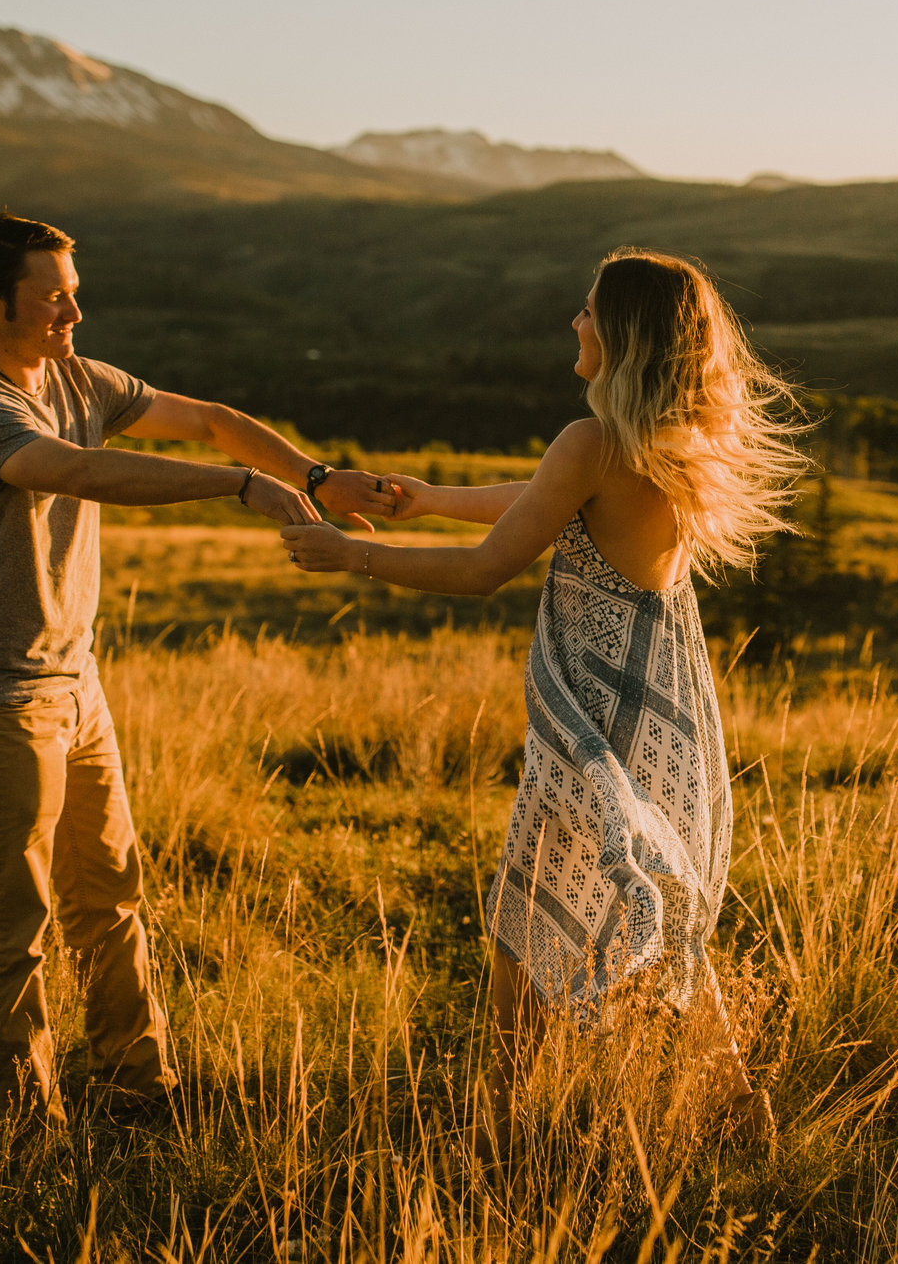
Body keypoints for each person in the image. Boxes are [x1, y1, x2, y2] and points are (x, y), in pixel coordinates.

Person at [280, 248, 806, 1148]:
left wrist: (353, 554)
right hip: (654, 713)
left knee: (528, 912)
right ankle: (742, 1119)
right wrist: (430, 500)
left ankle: (500, 1126)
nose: (575, 321)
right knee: (655, 903)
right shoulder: (656, 443)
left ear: (626, 334)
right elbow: (544, 500)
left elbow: (489, 569)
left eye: (590, 310)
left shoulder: (592, 441)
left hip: (593, 727)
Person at [0, 211, 397, 1150]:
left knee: (112, 894)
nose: (74, 310)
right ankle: (21, 1133)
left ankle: (140, 1088)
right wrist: (236, 487)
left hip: (76, 686)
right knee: (15, 920)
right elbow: (78, 470)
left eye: (72, 288)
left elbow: (212, 418)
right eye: (53, 294)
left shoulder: (78, 378)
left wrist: (315, 472)